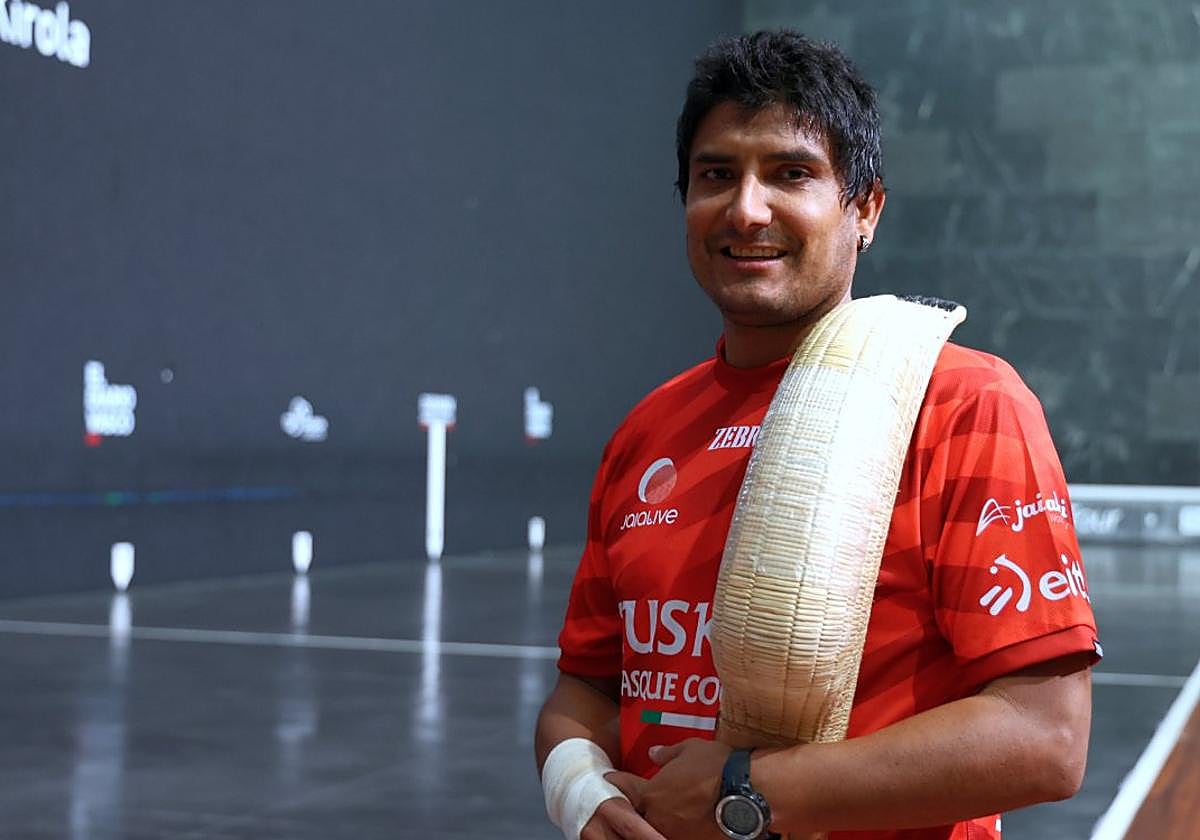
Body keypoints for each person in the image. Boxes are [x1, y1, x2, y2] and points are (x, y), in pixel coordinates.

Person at [535, 30, 1099, 840]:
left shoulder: (968, 405)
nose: (746, 208)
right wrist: (579, 792)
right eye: (715, 176)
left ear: (864, 208)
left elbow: (1045, 739)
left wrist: (745, 790)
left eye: (791, 173)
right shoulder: (648, 429)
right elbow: (583, 694)